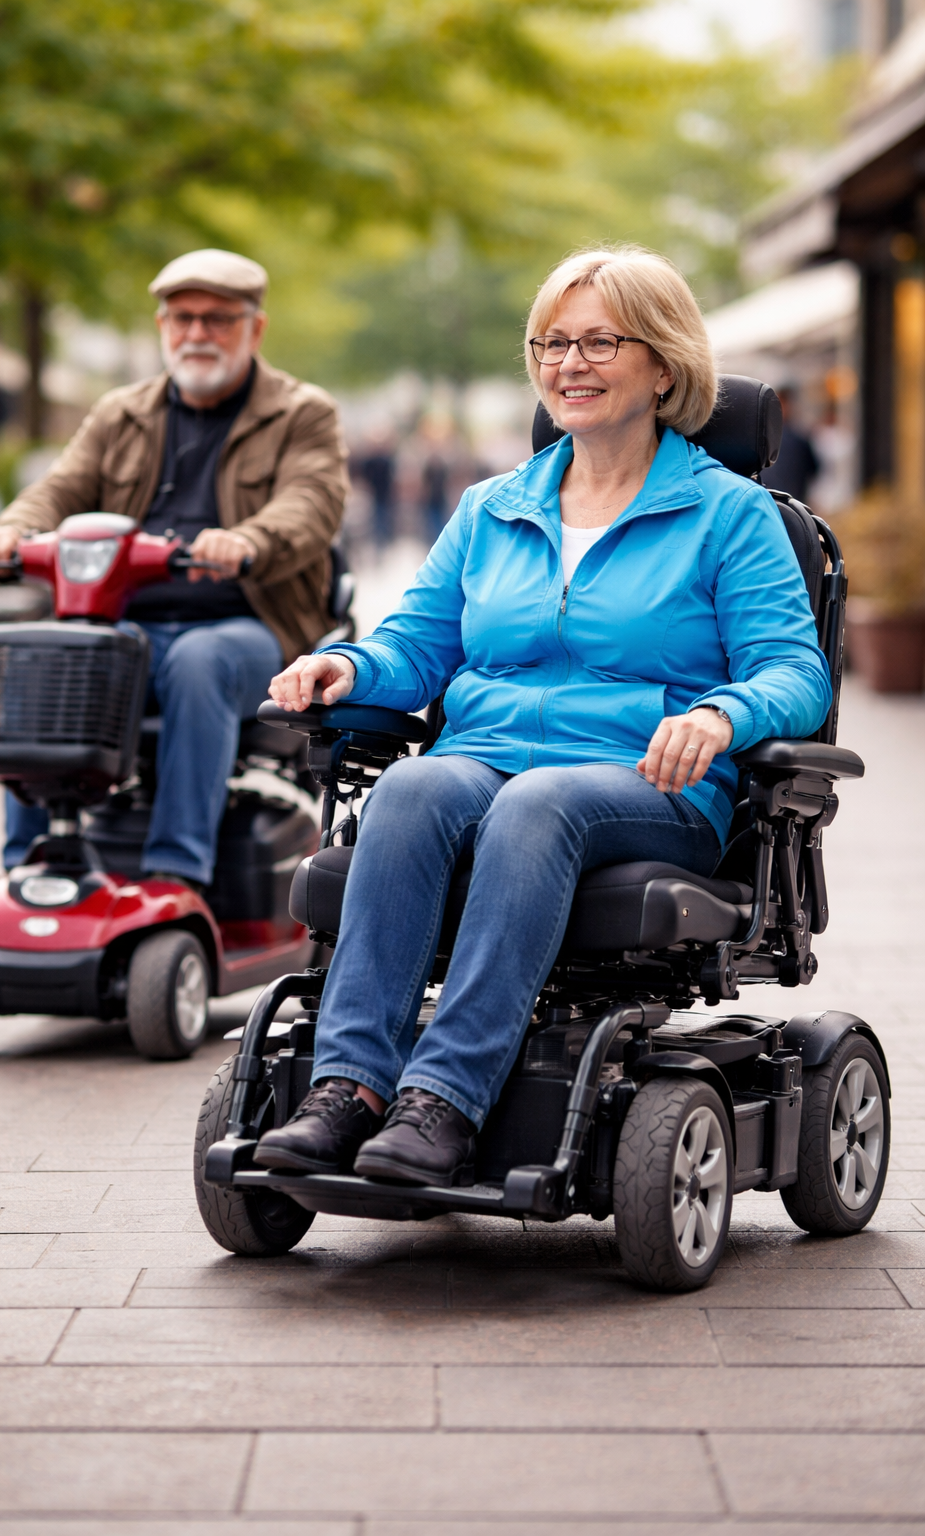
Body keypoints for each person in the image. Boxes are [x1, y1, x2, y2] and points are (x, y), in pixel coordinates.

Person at [254, 245, 833, 1189]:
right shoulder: (492, 508)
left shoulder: (730, 514)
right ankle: (349, 1089)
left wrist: (725, 716)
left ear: (663, 363)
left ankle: (443, 1100)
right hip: (487, 756)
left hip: (649, 780)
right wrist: (343, 664)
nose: (570, 362)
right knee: (410, 783)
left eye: (600, 340)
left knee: (539, 804)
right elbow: (416, 647)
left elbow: (793, 671)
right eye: (551, 343)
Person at [0, 248, 348, 889]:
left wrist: (247, 539)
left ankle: (176, 874)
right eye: (182, 318)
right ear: (162, 327)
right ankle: (29, 867)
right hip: (127, 624)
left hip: (250, 625)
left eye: (217, 319)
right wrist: (13, 530)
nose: (197, 333)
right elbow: (59, 490)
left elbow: (310, 506)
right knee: (46, 651)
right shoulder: (122, 412)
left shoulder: (302, 413)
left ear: (254, 328)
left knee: (199, 659)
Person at [761, 385, 820, 504]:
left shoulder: (796, 438)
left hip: (777, 502)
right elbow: (814, 470)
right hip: (791, 504)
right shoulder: (798, 437)